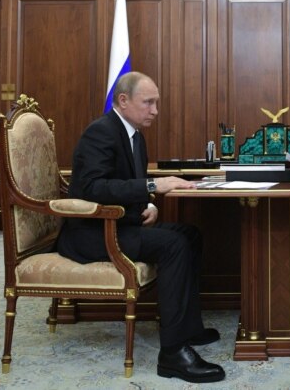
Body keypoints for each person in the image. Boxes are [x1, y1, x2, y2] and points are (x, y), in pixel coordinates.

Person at [57, 71, 225, 383]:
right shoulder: (101, 132)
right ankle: (173, 354)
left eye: (156, 103)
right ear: (123, 100)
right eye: (148, 102)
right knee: (174, 245)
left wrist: (147, 203)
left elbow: (124, 185)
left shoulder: (134, 134)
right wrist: (152, 184)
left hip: (118, 224)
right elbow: (93, 188)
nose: (155, 110)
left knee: (189, 233)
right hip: (90, 234)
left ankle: (188, 328)